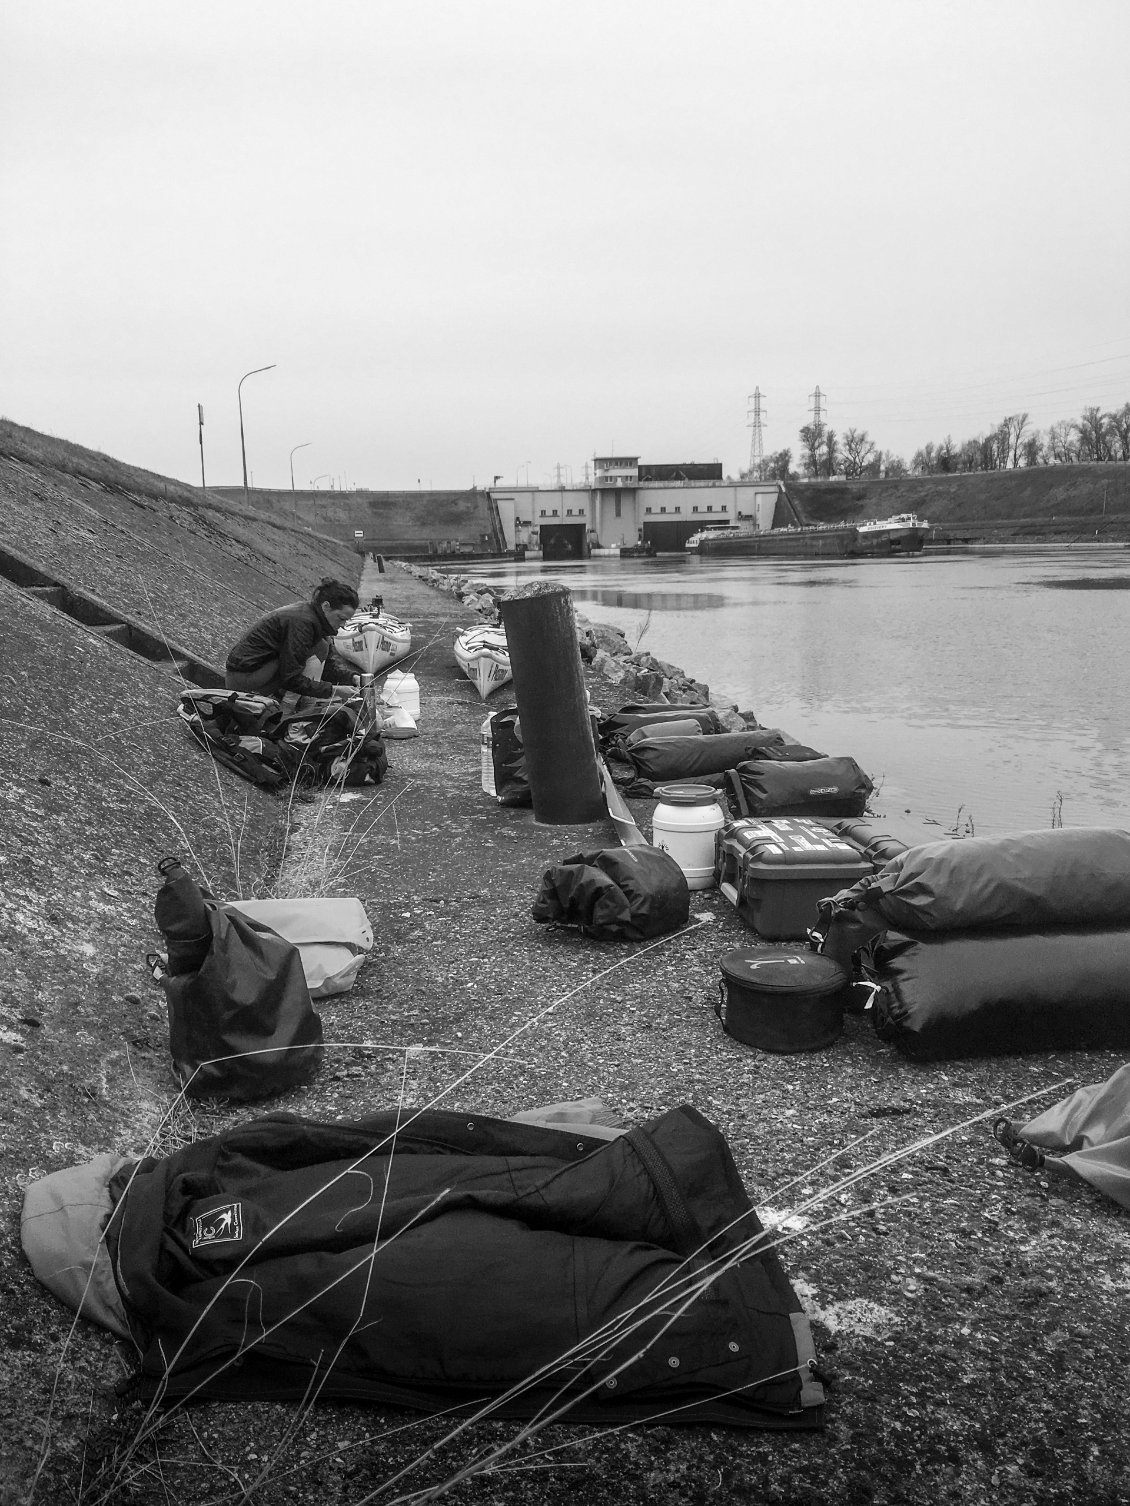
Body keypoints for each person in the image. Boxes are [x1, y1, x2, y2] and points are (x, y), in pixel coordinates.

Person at [225, 579, 360, 702]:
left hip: (263, 671)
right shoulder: (301, 624)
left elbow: (327, 669)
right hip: (244, 679)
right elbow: (290, 677)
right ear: (326, 606)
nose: (343, 625)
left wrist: (353, 678)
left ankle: (298, 704)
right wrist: (334, 690)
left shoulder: (314, 619)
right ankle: (290, 711)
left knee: (322, 646)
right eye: (341, 618)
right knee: (320, 648)